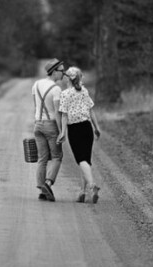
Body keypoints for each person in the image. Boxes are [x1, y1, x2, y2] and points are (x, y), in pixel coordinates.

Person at [57, 66, 101, 203]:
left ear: (67, 79)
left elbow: (64, 115)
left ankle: (92, 186)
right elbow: (91, 111)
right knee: (86, 160)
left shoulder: (65, 94)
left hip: (74, 129)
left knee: (81, 160)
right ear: (79, 78)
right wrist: (96, 127)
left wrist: (62, 132)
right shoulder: (84, 91)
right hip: (87, 128)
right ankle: (82, 192)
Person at [32, 58, 65, 202]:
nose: (63, 73)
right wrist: (62, 131)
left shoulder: (36, 84)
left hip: (38, 124)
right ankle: (48, 183)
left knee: (42, 158)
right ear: (54, 72)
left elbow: (35, 106)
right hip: (51, 125)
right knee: (57, 157)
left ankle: (42, 191)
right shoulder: (56, 89)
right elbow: (58, 112)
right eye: (61, 71)